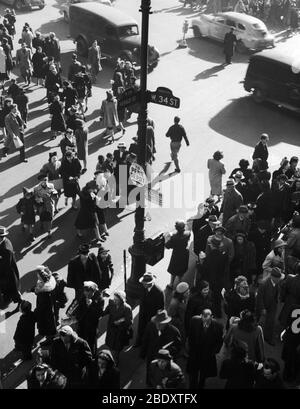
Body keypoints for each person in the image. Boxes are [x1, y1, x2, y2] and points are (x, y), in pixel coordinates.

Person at [141, 309, 182, 386]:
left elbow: (178, 348)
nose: (158, 326)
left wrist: (168, 352)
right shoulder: (150, 326)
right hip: (152, 359)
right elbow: (145, 340)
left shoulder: (174, 332)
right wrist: (142, 354)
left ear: (166, 323)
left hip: (165, 364)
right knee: (151, 381)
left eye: (161, 324)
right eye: (157, 323)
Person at [187, 309, 223, 389]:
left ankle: (201, 385)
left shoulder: (218, 326)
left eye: (208, 321)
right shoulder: (194, 320)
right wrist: (190, 348)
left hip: (207, 354)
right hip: (195, 353)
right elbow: (190, 335)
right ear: (201, 316)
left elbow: (219, 341)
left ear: (212, 317)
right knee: (193, 373)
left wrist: (213, 352)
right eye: (204, 320)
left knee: (204, 373)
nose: (206, 323)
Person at [72, 281, 104, 355]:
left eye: (89, 293)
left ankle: (92, 355)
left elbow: (99, 314)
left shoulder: (100, 299)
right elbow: (78, 309)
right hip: (82, 323)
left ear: (93, 291)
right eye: (85, 293)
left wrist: (91, 305)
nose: (87, 295)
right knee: (80, 339)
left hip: (92, 325)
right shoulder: (82, 296)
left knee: (91, 342)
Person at [103, 290, 133, 364]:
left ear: (121, 300)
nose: (114, 301)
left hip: (120, 331)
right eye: (114, 299)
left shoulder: (127, 308)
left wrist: (120, 322)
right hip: (111, 329)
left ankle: (115, 362)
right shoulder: (111, 303)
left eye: (116, 300)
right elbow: (105, 312)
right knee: (110, 345)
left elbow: (129, 322)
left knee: (117, 348)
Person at [256, 267, 284, 346]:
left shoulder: (277, 283)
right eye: (278, 278)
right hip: (264, 305)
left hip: (272, 305)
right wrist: (262, 308)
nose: (279, 280)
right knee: (259, 321)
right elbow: (259, 298)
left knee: (271, 322)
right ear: (272, 277)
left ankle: (268, 338)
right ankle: (256, 337)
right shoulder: (264, 284)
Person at [136, 272, 165, 347]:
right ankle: (138, 342)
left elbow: (161, 307)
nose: (144, 284)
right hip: (143, 313)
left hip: (151, 316)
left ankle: (146, 345)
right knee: (141, 328)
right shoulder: (142, 287)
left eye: (146, 283)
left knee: (149, 331)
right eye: (143, 283)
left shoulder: (159, 292)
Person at [165, 220, 191, 290]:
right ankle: (179, 283)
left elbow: (167, 246)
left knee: (173, 270)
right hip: (184, 253)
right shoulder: (188, 233)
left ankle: (171, 284)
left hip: (176, 254)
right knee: (181, 270)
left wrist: (167, 238)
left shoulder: (174, 237)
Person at [0, 226, 21, 307]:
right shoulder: (4, 242)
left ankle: (18, 301)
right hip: (5, 271)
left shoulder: (6, 249)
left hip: (7, 272)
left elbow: (5, 265)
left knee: (10, 288)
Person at [279, 262, 300, 328]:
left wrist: (282, 298)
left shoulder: (290, 278)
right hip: (298, 307)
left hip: (289, 303)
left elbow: (283, 289)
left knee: (285, 322)